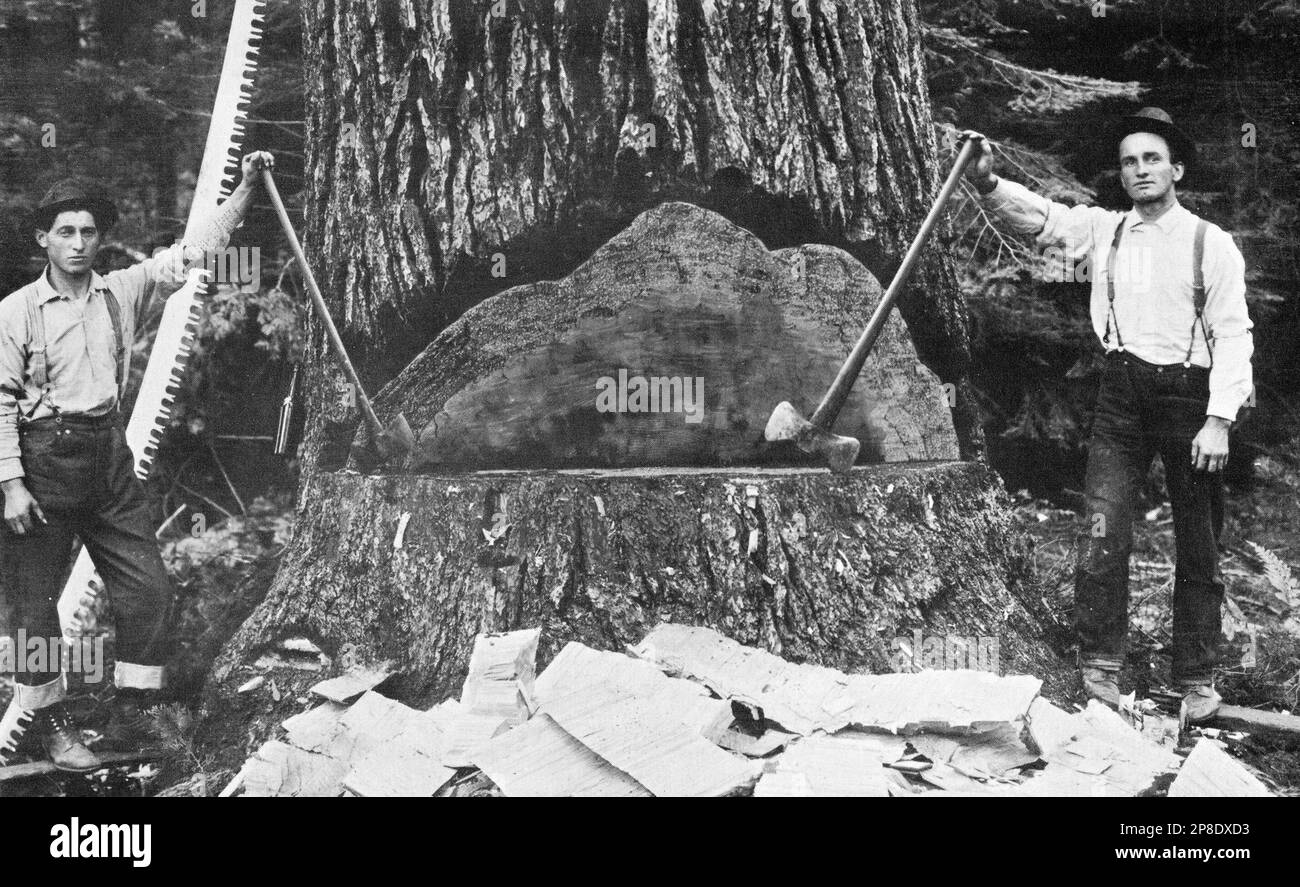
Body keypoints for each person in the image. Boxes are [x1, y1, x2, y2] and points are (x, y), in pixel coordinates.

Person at [961, 109, 1254, 724]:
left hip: (1191, 403)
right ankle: (1100, 662)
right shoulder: (1106, 232)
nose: (1140, 169)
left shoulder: (1211, 242)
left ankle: (1195, 677)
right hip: (1120, 397)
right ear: (1120, 174)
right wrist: (987, 183)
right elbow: (1041, 220)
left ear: (1176, 169)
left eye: (1152, 159)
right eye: (1129, 161)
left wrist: (1220, 419)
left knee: (1198, 544)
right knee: (1102, 527)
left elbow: (1233, 334)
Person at [0, 151, 275, 770]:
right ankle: (54, 727)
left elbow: (195, 253)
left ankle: (132, 719)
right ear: (43, 238)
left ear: (101, 237)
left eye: (88, 231)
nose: (77, 243)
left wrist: (247, 190)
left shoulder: (123, 290)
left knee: (146, 588)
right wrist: (12, 484)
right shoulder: (14, 313)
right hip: (41, 463)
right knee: (33, 607)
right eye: (64, 231)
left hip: (107, 458)